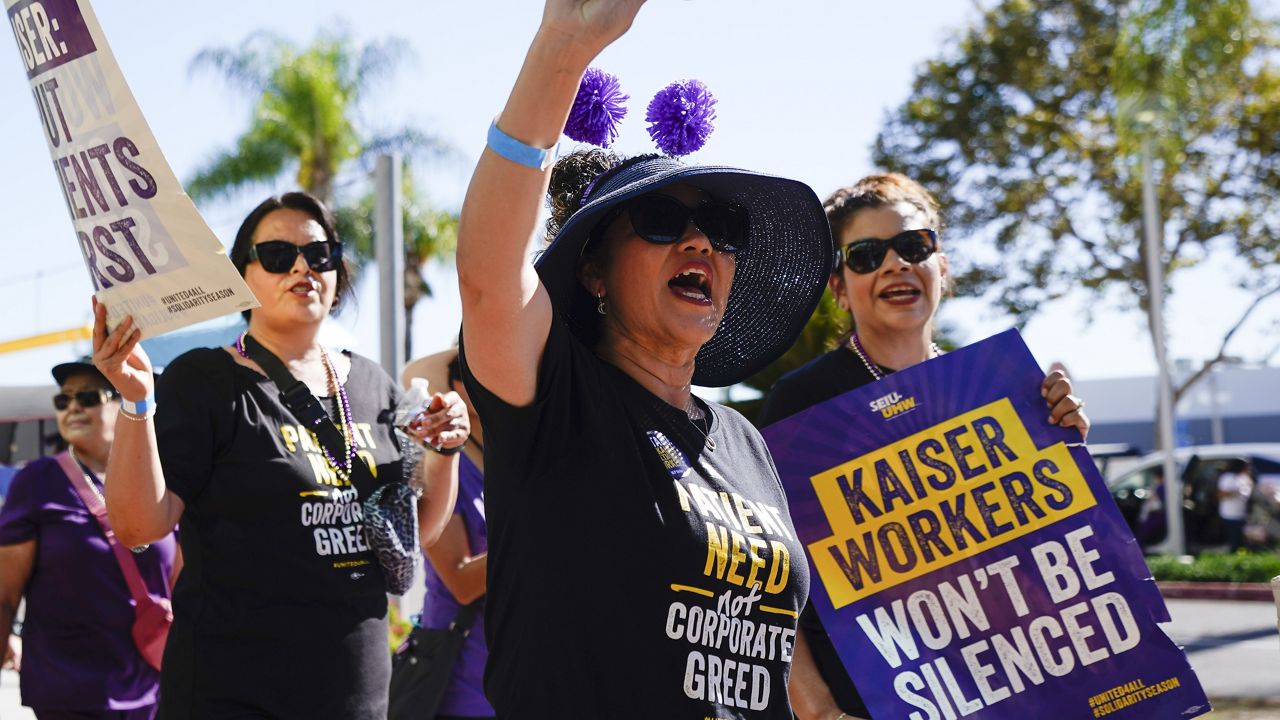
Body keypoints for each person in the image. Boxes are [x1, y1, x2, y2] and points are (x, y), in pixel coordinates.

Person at [454, 1, 833, 715]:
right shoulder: (555, 400)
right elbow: (487, 272)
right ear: (594, 271)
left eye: (721, 229)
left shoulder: (745, 443)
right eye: (661, 221)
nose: (699, 245)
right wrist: (563, 48)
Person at [90, 191, 468, 719]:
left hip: (355, 692)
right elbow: (137, 527)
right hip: (233, 692)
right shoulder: (204, 380)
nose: (300, 267)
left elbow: (416, 530)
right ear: (241, 277)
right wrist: (136, 402)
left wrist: (445, 451)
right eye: (275, 256)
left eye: (319, 255)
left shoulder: (372, 384)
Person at [758, 173, 1090, 720]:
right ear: (839, 287)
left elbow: (1056, 555)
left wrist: (1067, 450)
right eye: (866, 255)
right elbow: (770, 574)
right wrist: (818, 710)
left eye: (914, 246)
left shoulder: (1000, 393)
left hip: (1008, 688)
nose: (895, 265)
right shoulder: (801, 405)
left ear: (942, 267)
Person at [0, 357, 179, 719]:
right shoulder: (37, 480)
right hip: (69, 693)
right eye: (63, 400)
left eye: (89, 396)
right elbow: (4, 593)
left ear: (127, 399)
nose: (74, 407)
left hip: (155, 687)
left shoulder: (164, 480)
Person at [402, 348, 493, 720]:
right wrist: (544, 536)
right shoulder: (441, 469)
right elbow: (459, 579)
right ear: (456, 384)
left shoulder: (512, 466)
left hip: (517, 678)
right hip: (462, 683)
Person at [1217, 458, 1253, 552]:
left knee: (1243, 541)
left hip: (1241, 513)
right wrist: (1235, 492)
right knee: (1235, 540)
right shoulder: (1228, 477)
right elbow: (1221, 495)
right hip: (1230, 514)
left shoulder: (1243, 477)